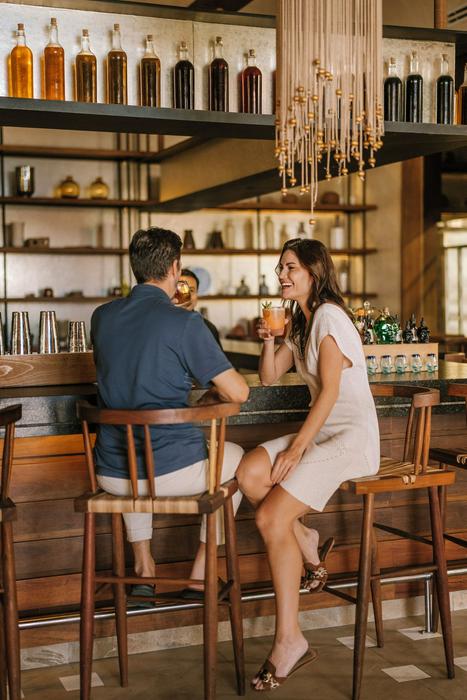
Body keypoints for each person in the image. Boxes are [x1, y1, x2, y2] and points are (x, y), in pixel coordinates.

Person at [236, 238, 379, 691]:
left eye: (290, 268)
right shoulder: (301, 319)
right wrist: (269, 340)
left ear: (314, 272)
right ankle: (306, 537)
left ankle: (289, 641)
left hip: (351, 438)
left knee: (269, 516)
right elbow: (268, 376)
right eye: (280, 268)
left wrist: (297, 449)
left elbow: (331, 392)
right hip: (323, 432)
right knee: (249, 473)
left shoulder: (330, 316)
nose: (281, 275)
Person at [91, 227, 249, 602]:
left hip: (112, 474)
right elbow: (239, 392)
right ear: (176, 268)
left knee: (136, 455)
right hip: (172, 473)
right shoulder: (185, 322)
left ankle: (143, 569)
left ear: (135, 266)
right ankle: (199, 575)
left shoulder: (102, 317)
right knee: (239, 461)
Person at [178, 267, 221, 345]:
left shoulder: (208, 328)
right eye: (182, 289)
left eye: (191, 290)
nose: (187, 295)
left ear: (197, 294)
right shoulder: (161, 325)